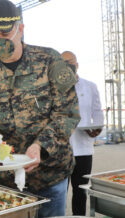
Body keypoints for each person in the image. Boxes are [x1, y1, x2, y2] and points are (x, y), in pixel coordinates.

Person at [0, 0, 81, 217]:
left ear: (21, 28)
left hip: (49, 175)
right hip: (3, 179)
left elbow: (67, 113)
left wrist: (40, 146)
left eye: (5, 33)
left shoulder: (50, 61)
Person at [62, 51, 104, 216]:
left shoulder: (90, 86)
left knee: (80, 191)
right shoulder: (54, 88)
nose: (68, 65)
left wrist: (97, 129)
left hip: (83, 148)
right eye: (63, 62)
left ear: (77, 64)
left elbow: (97, 113)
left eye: (70, 62)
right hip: (61, 149)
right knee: (60, 192)